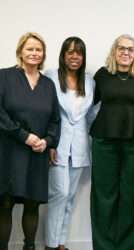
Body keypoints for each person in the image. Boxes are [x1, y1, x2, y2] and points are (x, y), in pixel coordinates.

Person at [90, 34, 134, 250]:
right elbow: (84, 105)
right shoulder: (102, 75)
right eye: (121, 48)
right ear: (114, 51)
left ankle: (127, 246)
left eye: (130, 49)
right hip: (104, 141)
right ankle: (103, 246)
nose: (126, 52)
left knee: (131, 195)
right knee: (104, 195)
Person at [0, 32, 60, 250]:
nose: (34, 53)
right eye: (30, 49)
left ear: (43, 54)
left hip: (37, 152)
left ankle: (30, 247)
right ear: (20, 52)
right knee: (5, 204)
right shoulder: (4, 77)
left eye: (38, 49)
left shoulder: (48, 85)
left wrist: (48, 141)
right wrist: (24, 136)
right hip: (8, 150)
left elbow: (55, 119)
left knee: (32, 203)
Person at [44, 37, 95, 250]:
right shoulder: (51, 76)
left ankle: (61, 243)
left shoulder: (90, 81)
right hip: (57, 144)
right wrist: (49, 143)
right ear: (63, 55)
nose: (74, 56)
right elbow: (45, 110)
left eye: (79, 53)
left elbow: (91, 114)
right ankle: (50, 244)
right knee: (60, 194)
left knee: (70, 197)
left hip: (80, 146)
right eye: (70, 52)